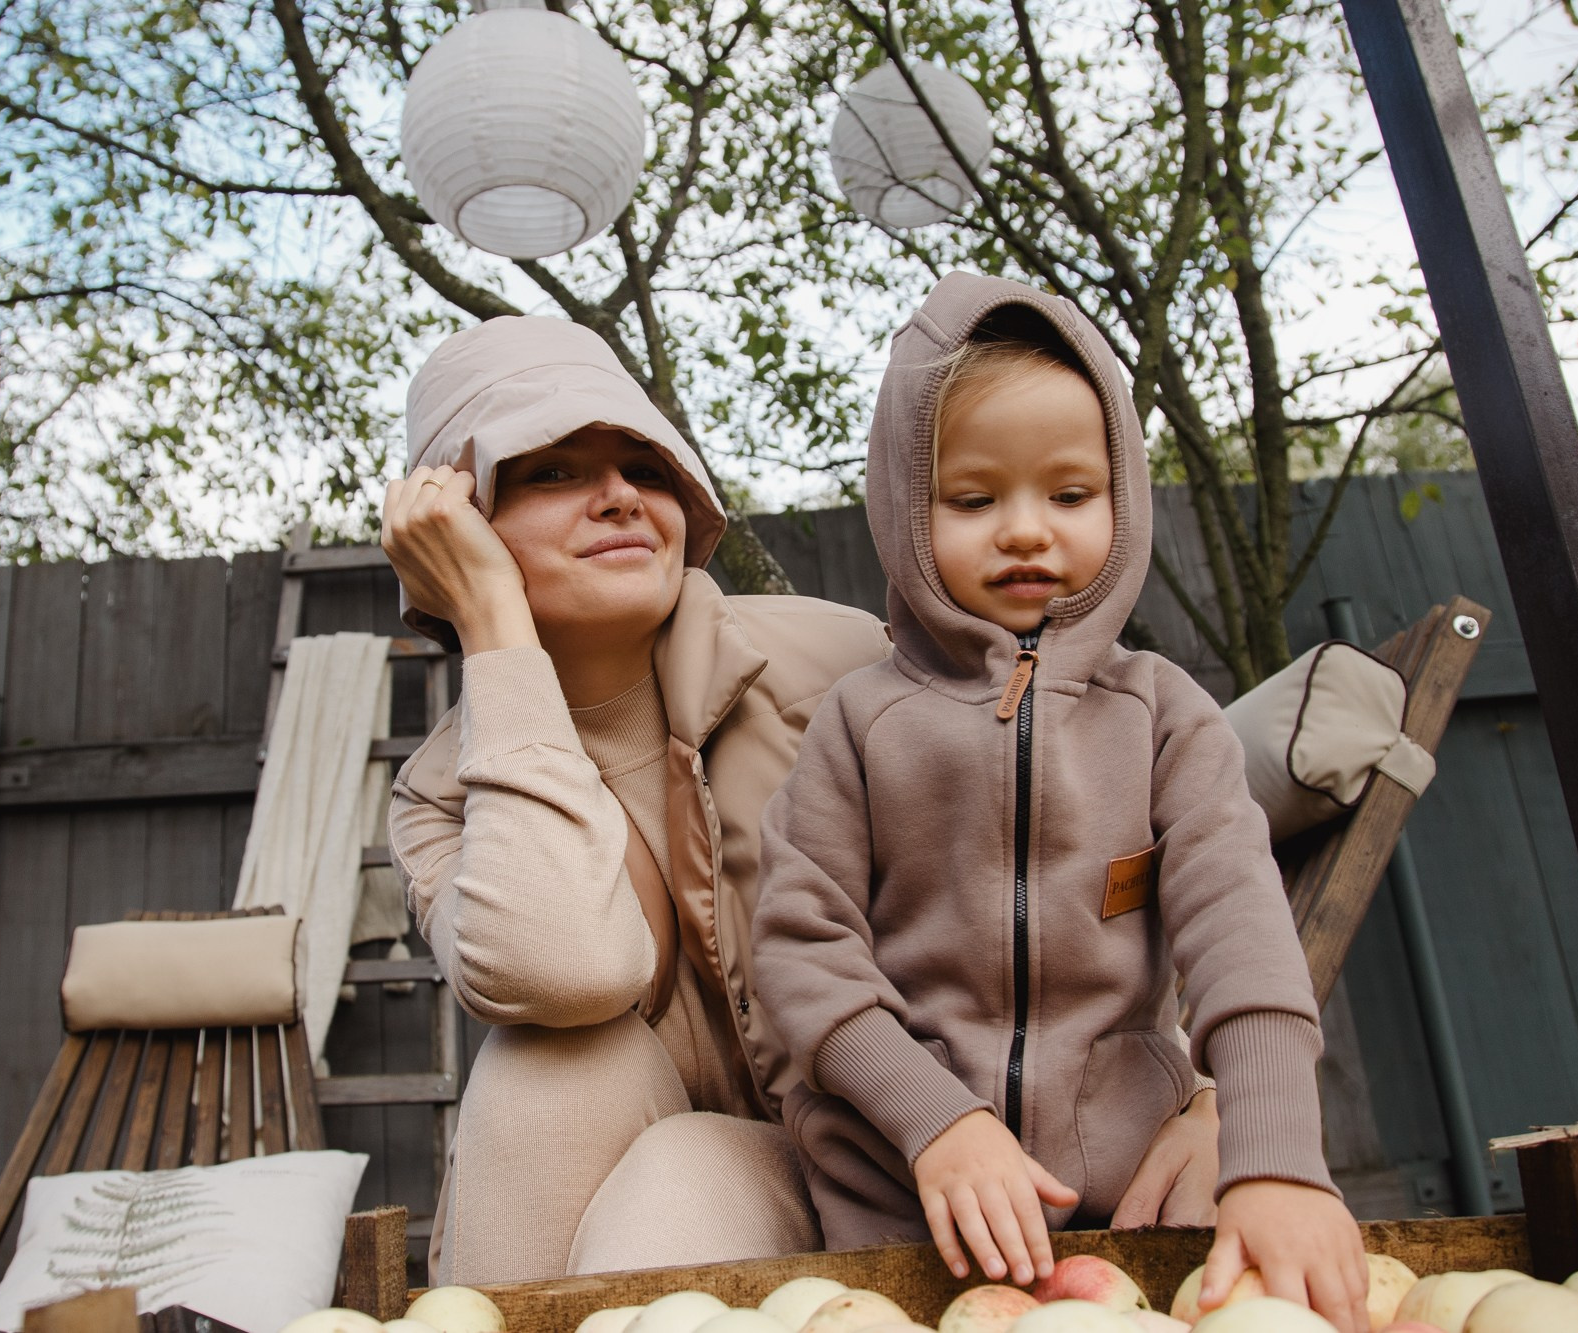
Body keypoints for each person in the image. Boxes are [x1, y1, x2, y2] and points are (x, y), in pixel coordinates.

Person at [381, 313, 1222, 1286]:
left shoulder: (844, 668)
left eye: (647, 469)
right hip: (727, 1170)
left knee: (676, 1170)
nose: (618, 497)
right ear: (455, 532)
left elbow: (1085, 870)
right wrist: (491, 623)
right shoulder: (440, 794)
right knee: (545, 1072)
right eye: (551, 471)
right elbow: (565, 970)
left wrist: (1207, 1100)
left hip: (905, 1152)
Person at [750, 273, 1369, 1332]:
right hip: (904, 1195)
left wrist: (1273, 1157)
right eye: (973, 500)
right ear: (903, 512)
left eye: (1071, 495)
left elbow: (1240, 928)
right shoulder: (860, 723)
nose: (1026, 531)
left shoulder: (1163, 716)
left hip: (1135, 1201)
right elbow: (802, 952)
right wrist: (932, 1119)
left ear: (1122, 499)